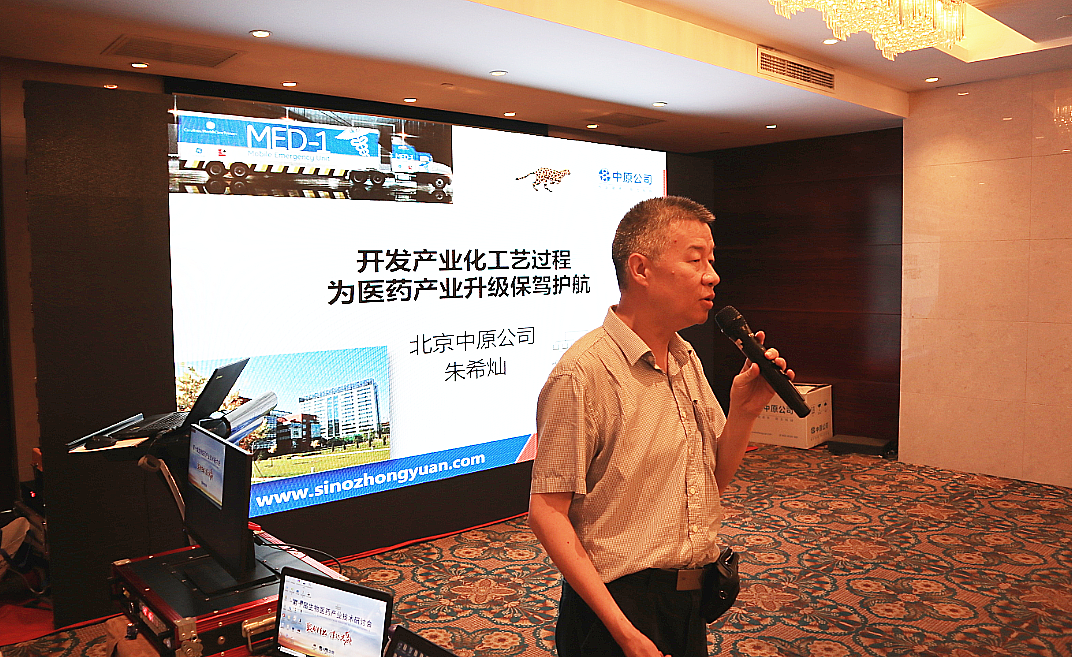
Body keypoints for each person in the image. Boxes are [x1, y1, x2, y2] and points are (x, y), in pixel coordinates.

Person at [528, 196, 793, 657]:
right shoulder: (583, 373)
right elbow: (546, 513)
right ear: (641, 269)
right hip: (616, 608)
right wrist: (624, 632)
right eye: (695, 260)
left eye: (711, 260)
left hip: (686, 600)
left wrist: (744, 411)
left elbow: (710, 481)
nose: (712, 275)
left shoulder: (684, 357)